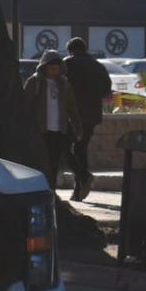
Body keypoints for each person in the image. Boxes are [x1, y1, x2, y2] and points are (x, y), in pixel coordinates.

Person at [23, 50, 83, 193]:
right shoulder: (34, 82)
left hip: (59, 130)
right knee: (43, 163)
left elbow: (72, 107)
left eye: (57, 68)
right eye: (51, 68)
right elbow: (25, 106)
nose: (54, 71)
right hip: (42, 130)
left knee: (55, 164)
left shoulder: (64, 84)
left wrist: (77, 127)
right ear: (44, 67)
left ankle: (52, 191)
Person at [63, 37, 112, 201]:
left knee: (64, 150)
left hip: (73, 115)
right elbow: (106, 90)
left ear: (71, 50)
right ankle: (79, 188)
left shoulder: (68, 63)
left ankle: (83, 177)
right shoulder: (98, 66)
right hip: (92, 115)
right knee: (80, 149)